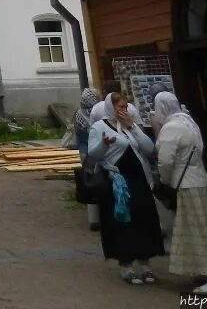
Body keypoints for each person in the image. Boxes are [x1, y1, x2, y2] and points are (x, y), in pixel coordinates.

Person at [86, 91, 165, 284]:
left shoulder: (129, 126)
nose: (124, 110)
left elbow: (148, 149)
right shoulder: (98, 127)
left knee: (144, 219)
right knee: (122, 223)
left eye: (126, 106)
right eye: (120, 107)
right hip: (117, 182)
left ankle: (145, 264)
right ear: (110, 108)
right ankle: (126, 265)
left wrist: (133, 127)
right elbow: (92, 157)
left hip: (138, 179)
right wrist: (104, 144)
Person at [155, 91, 207, 294]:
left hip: (185, 184)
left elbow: (166, 161)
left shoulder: (171, 128)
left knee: (197, 231)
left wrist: (165, 181)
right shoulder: (189, 122)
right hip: (202, 180)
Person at [73, 87, 101, 232]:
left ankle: (93, 219)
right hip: (95, 151)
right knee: (99, 181)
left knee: (89, 182)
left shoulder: (78, 113)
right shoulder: (96, 114)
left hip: (83, 152)